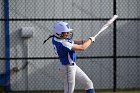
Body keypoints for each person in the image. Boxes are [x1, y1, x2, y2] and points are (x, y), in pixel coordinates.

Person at [44, 21, 96, 93]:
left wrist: (84, 41)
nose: (68, 33)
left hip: (72, 66)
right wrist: (90, 40)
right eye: (65, 32)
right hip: (68, 68)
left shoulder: (56, 38)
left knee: (88, 83)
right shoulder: (63, 43)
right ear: (59, 33)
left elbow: (71, 41)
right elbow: (82, 48)